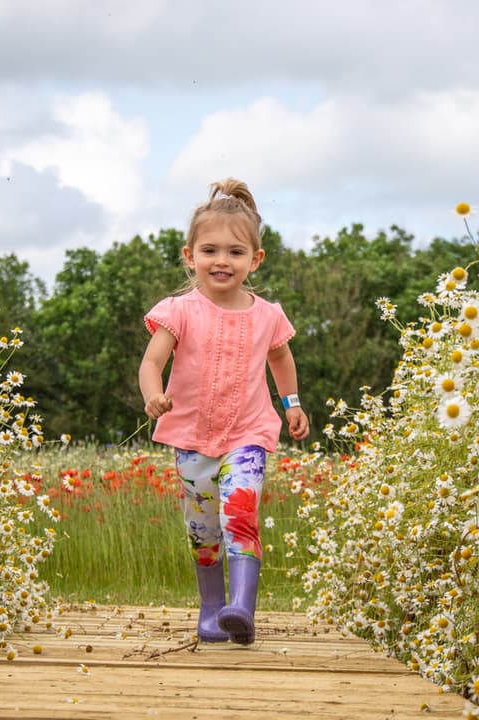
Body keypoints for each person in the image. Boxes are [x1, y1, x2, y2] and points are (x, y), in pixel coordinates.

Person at [139, 178, 309, 645]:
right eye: (210, 250)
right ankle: (212, 609)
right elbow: (152, 362)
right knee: (203, 527)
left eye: (235, 252)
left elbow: (281, 358)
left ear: (255, 260)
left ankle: (242, 607)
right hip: (192, 436)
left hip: (249, 433)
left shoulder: (268, 315)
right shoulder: (179, 311)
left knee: (240, 511)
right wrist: (153, 396)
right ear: (189, 255)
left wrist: (291, 404)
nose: (222, 261)